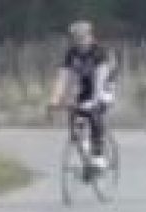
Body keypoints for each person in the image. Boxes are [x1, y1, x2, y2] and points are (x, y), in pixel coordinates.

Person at [48, 20, 116, 171]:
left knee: (94, 112)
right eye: (75, 38)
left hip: (104, 86)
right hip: (86, 88)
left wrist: (95, 101)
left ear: (90, 36)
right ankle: (86, 156)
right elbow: (63, 77)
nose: (79, 41)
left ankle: (98, 155)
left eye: (82, 37)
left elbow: (100, 78)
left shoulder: (100, 52)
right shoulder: (72, 53)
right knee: (75, 118)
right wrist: (54, 99)